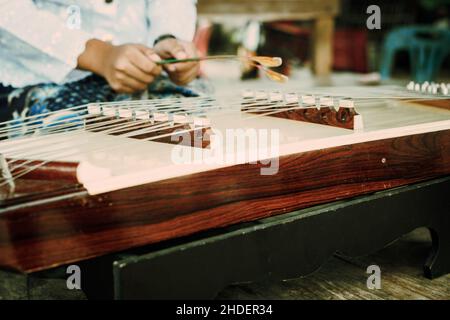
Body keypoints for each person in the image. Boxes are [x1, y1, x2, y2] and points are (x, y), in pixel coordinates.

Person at [0, 0, 202, 123]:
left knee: (199, 126)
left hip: (144, 67)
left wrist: (167, 39)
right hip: (37, 75)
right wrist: (100, 56)